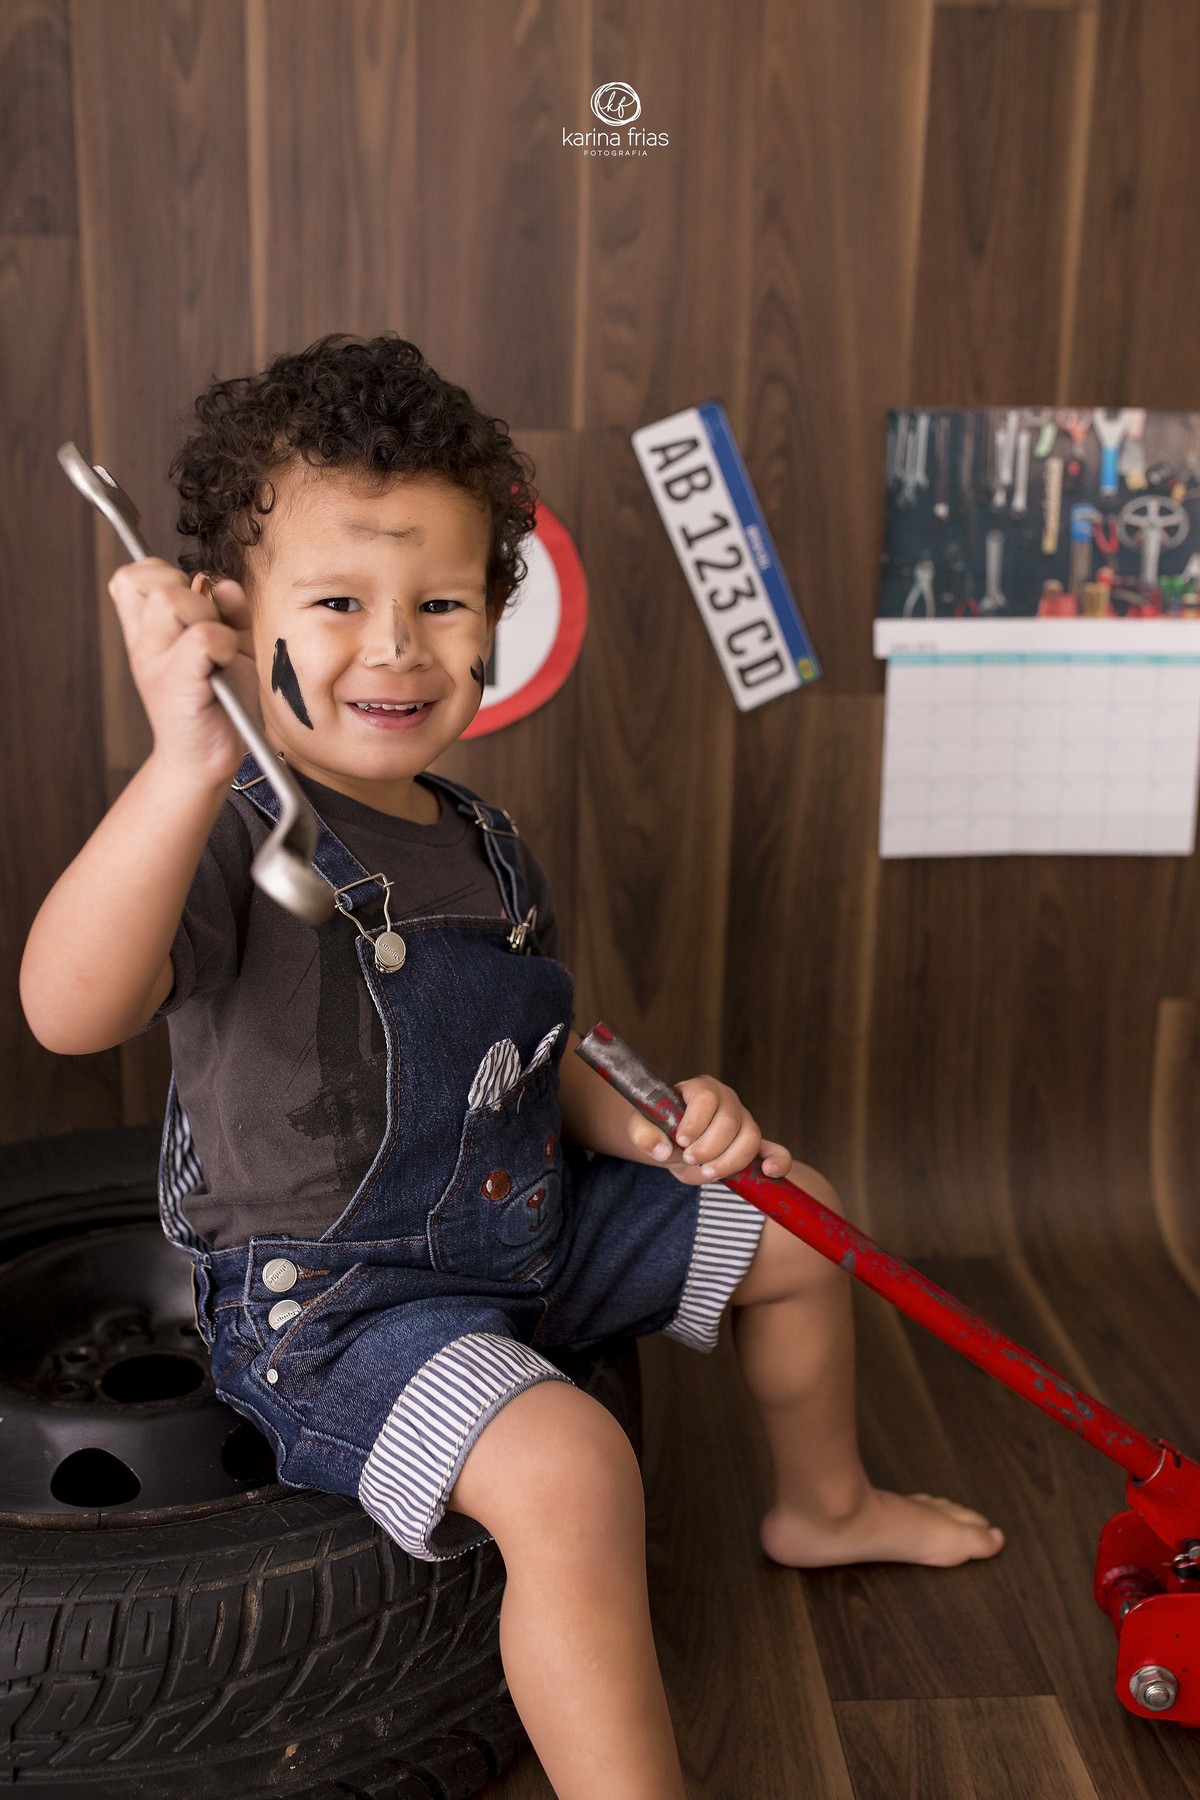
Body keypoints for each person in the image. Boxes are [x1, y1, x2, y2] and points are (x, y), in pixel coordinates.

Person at [21, 334, 1003, 1800]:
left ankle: (828, 1502)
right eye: (340, 603)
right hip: (335, 1310)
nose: (398, 645)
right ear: (229, 621)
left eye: (443, 602)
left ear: (497, 619)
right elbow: (66, 1008)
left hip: (521, 1226)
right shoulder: (227, 830)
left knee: (798, 1222)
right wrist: (176, 763)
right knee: (573, 1470)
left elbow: (523, 1060)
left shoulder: (482, 839)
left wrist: (664, 1122)